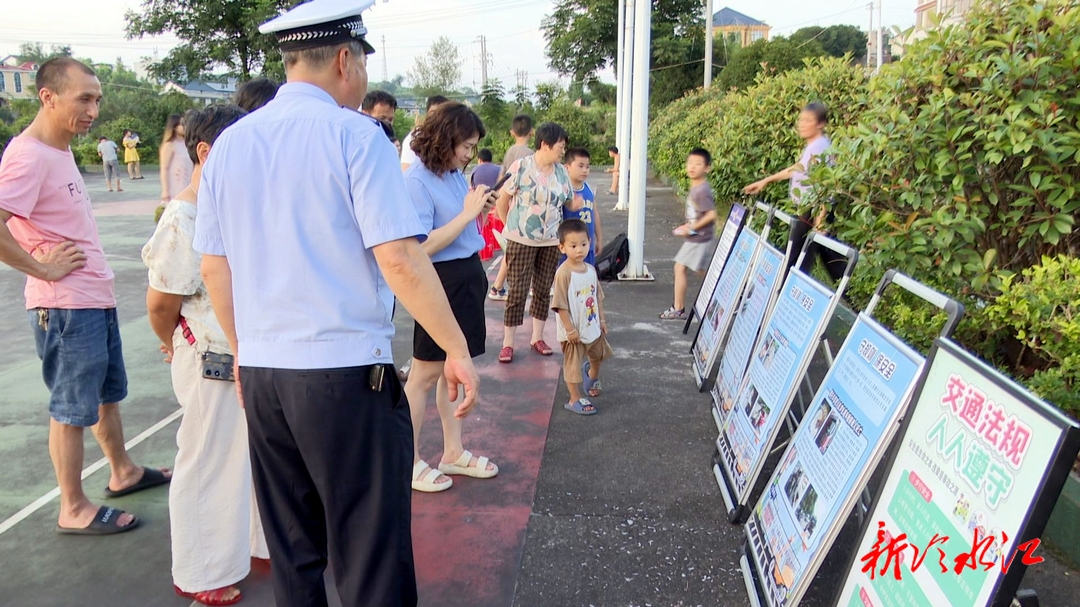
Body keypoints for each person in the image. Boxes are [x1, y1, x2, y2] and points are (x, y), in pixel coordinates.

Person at [197, 2, 480, 605]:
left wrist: (246, 352)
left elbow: (214, 267)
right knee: (369, 556)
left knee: (295, 556)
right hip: (344, 375)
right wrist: (455, 346)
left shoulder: (230, 143)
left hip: (268, 376)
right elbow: (399, 257)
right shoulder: (356, 136)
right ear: (345, 60)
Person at [0, 57, 171, 536]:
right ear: (48, 97)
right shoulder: (29, 155)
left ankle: (123, 472)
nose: (94, 109)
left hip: (92, 296)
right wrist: (41, 267)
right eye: (84, 99)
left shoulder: (60, 149)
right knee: (72, 407)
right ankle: (72, 507)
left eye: (97, 98)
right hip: (66, 304)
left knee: (104, 397)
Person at [143, 104, 268, 607]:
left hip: (239, 354)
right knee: (207, 461)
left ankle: (251, 546)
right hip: (207, 358)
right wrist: (174, 342)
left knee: (247, 458)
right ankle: (200, 572)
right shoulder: (183, 218)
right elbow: (159, 304)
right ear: (206, 153)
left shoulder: (227, 209)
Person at [403, 102, 499, 493]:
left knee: (452, 369)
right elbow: (420, 247)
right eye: (466, 145)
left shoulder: (454, 175)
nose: (469, 154)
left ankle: (453, 451)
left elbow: (462, 225)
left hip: (467, 276)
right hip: (438, 281)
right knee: (424, 374)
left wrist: (480, 209)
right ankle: (406, 461)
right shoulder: (417, 181)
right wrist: (466, 215)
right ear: (447, 138)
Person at [495, 121, 572, 363]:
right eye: (560, 146)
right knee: (517, 289)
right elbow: (502, 199)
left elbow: (568, 201)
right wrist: (510, 226)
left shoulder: (561, 172)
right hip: (521, 238)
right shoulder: (521, 167)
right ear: (545, 144)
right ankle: (508, 343)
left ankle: (537, 337)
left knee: (542, 290)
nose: (562, 151)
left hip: (550, 240)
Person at [743, 102, 844, 281]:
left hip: (813, 212)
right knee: (827, 263)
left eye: (808, 120)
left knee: (794, 261)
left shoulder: (819, 147)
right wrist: (766, 180)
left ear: (820, 124)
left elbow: (825, 185)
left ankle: (774, 297)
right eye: (801, 120)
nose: (802, 124)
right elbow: (796, 169)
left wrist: (820, 220)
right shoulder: (815, 146)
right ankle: (857, 303)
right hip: (809, 211)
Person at [552, 219, 612, 415]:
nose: (580, 250)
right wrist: (570, 330)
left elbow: (597, 298)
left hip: (592, 326)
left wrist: (602, 321)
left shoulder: (591, 271)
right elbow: (560, 306)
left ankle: (591, 374)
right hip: (574, 332)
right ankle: (574, 398)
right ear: (562, 247)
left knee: (598, 356)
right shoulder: (563, 274)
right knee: (572, 366)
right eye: (573, 245)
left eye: (584, 244)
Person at [660, 148, 717, 320]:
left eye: (698, 164)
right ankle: (728, 295)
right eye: (690, 163)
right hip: (698, 236)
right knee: (703, 271)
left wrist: (693, 228)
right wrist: (687, 226)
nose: (692, 167)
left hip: (699, 238)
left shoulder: (701, 190)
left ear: (707, 168)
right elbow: (698, 214)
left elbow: (711, 214)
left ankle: (678, 308)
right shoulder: (697, 188)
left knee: (680, 267)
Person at [473, 148, 510, 298]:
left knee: (483, 230)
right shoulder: (498, 169)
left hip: (480, 206)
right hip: (496, 204)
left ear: (480, 159)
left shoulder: (475, 170)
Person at [562, 147, 603, 267]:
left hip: (587, 247)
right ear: (567, 167)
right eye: (580, 166)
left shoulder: (589, 189)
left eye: (587, 166)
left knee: (587, 281)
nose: (585, 170)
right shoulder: (564, 190)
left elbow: (594, 213)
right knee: (568, 281)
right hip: (569, 248)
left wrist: (599, 239)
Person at [401, 95, 448, 171]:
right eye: (433, 113)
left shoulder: (451, 139)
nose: (436, 118)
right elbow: (406, 170)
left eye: (441, 114)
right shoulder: (415, 138)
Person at [159, 113, 195, 206]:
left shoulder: (188, 144)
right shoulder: (170, 145)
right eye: (182, 125)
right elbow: (164, 168)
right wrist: (165, 191)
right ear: (174, 127)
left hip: (188, 183)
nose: (185, 127)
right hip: (175, 185)